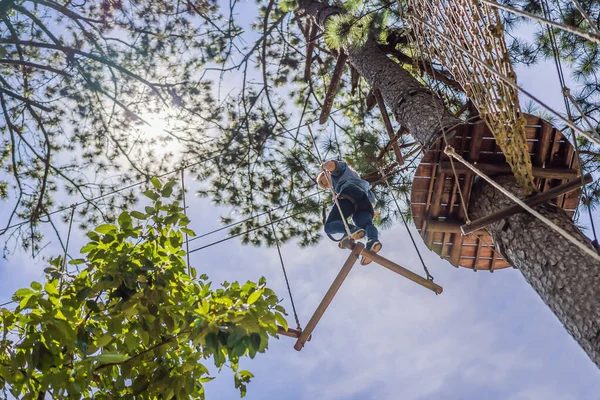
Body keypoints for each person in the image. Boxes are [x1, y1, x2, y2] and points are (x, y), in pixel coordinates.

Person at [317, 160, 382, 265]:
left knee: (328, 226)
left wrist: (324, 166)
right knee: (366, 224)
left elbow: (331, 165)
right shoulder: (359, 180)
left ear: (326, 173)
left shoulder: (338, 172)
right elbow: (372, 202)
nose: (324, 186)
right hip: (364, 202)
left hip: (349, 193)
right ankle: (373, 241)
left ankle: (352, 230)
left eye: (322, 182)